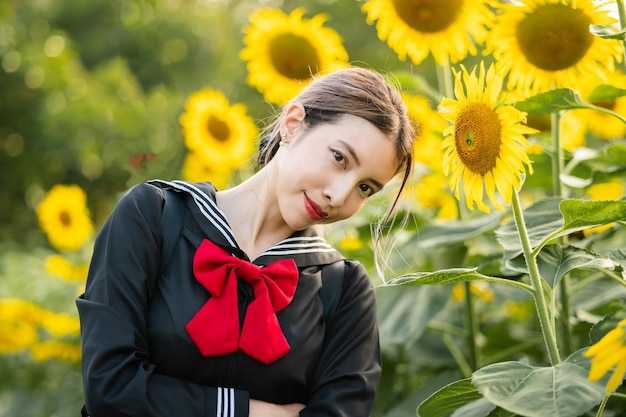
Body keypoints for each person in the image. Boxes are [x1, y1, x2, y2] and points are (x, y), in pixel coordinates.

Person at [76, 66, 415, 417]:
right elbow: (109, 387)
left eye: (365, 188)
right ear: (293, 123)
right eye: (339, 158)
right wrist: (250, 412)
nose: (338, 195)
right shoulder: (153, 217)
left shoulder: (343, 290)